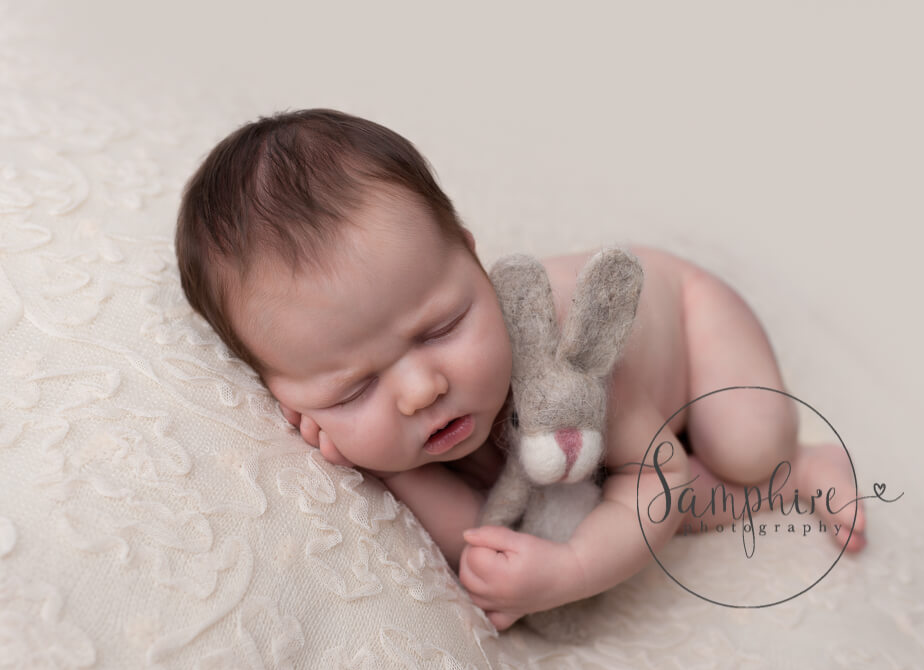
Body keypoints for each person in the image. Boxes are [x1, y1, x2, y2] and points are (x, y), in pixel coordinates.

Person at [175, 108, 866, 632]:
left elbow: (662, 476)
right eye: (353, 387)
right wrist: (396, 471)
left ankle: (800, 463)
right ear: (281, 392)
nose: (422, 389)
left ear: (475, 261)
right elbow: (486, 541)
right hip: (600, 452)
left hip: (686, 315)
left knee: (743, 447)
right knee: (630, 507)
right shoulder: (409, 407)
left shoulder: (565, 350)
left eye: (442, 327)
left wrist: (572, 569)